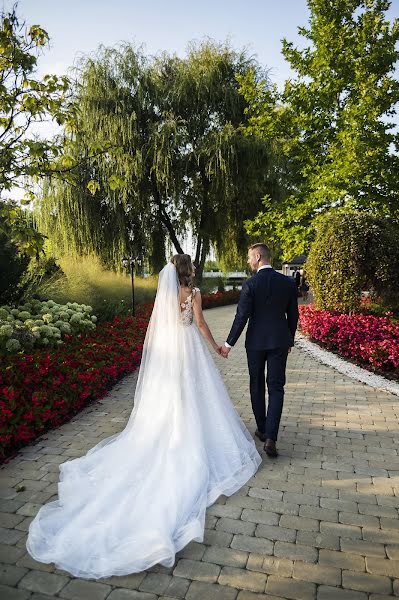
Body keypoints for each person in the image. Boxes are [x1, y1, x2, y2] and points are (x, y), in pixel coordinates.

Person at [26, 254, 261, 579]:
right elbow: (202, 324)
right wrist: (216, 348)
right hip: (189, 348)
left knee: (171, 396)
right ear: (186, 270)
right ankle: (188, 436)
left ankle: (168, 431)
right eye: (191, 266)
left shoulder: (165, 294)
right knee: (196, 394)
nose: (194, 269)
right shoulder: (193, 294)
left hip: (169, 352)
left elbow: (160, 326)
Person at [221, 244, 299, 458]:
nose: (248, 261)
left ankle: (263, 430)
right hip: (280, 341)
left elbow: (241, 317)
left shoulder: (250, 284)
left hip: (255, 343)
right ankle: (272, 437)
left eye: (249, 258)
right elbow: (293, 315)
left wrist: (228, 345)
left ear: (257, 256)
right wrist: (289, 339)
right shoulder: (287, 282)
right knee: (276, 387)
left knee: (256, 384)